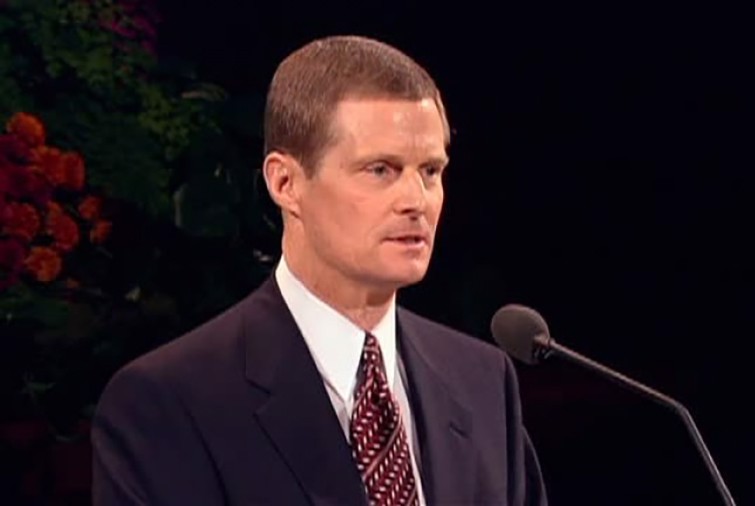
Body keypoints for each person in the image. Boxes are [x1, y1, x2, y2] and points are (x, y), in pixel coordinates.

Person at [91, 34, 548, 506]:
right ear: (285, 182)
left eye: (430, 171)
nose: (417, 201)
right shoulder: (168, 403)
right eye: (381, 170)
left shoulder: (482, 381)